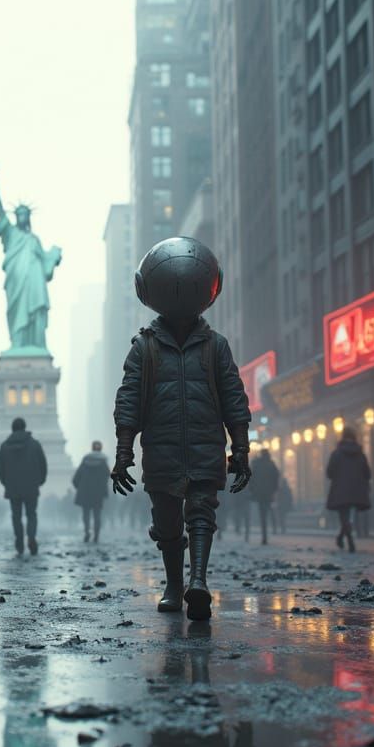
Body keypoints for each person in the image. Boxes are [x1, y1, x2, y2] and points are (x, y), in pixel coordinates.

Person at [112, 236, 252, 621]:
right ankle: (175, 583)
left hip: (206, 445)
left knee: (202, 512)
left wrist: (240, 449)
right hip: (162, 450)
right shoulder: (144, 348)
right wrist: (124, 453)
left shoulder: (215, 346)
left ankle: (198, 581)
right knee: (167, 522)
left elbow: (234, 399)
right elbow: (128, 402)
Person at [0, 417, 48, 555]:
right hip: (31, 486)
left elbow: (0, 469)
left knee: (16, 516)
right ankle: (31, 537)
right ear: (25, 427)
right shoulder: (35, 444)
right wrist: (40, 481)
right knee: (31, 515)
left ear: (12, 428)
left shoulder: (4, 446)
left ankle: (19, 539)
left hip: (13, 487)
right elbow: (43, 465)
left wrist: (6, 483)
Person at [325, 426, 370, 552]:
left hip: (341, 489)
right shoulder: (360, 454)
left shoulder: (336, 454)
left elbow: (329, 473)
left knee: (343, 515)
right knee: (350, 515)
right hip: (357, 489)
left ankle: (348, 539)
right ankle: (342, 536)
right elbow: (367, 473)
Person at [72, 441, 111, 543]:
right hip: (98, 493)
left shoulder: (85, 460)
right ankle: (96, 535)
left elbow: (76, 477)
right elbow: (108, 476)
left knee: (86, 514)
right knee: (97, 515)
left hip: (85, 491)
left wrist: (79, 487)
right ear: (100, 449)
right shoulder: (103, 462)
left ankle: (87, 532)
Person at [249, 449, 279, 545]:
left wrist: (252, 491)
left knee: (263, 515)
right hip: (269, 493)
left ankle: (264, 535)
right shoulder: (271, 464)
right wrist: (274, 490)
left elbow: (251, 478)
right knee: (270, 511)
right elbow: (276, 477)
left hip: (260, 494)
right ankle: (273, 529)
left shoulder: (257, 464)